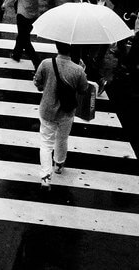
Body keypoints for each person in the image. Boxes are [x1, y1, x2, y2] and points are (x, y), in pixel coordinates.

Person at [34, 42, 89, 188]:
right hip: (67, 112)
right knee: (62, 138)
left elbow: (38, 84)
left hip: (47, 110)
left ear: (57, 46)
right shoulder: (78, 69)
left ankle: (45, 177)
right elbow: (84, 89)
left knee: (46, 143)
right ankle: (59, 164)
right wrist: (82, 71)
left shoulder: (46, 63)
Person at [3, 0, 41, 67]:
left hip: (23, 14)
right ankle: (16, 54)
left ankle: (37, 63)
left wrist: (4, 4)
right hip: (34, 14)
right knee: (23, 35)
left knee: (25, 40)